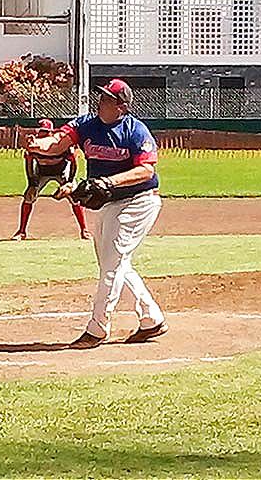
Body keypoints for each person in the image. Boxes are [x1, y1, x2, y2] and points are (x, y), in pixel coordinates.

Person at [27, 79, 167, 349]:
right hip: (109, 204)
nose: (100, 101)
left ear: (121, 107)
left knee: (113, 264)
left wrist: (108, 182)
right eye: (100, 96)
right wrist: (39, 145)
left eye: (107, 98)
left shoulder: (135, 131)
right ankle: (152, 319)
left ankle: (97, 328)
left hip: (138, 202)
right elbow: (58, 142)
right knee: (112, 264)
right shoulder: (87, 124)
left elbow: (146, 171)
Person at [12, 118, 91, 241]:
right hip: (42, 173)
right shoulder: (34, 146)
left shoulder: (60, 145)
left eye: (47, 131)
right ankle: (21, 231)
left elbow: (74, 161)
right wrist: (32, 182)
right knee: (28, 196)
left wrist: (70, 181)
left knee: (76, 197)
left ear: (51, 133)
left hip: (61, 172)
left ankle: (84, 230)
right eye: (42, 131)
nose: (45, 134)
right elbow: (28, 164)